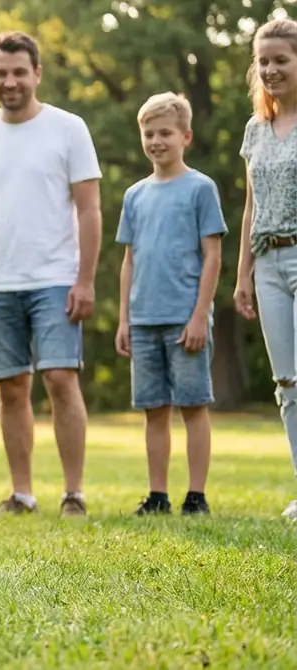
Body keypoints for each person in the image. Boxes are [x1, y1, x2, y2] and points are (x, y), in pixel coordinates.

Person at [0, 31, 103, 518]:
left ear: (37, 73)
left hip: (57, 278)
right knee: (10, 387)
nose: (9, 81)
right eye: (0, 72)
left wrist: (85, 279)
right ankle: (22, 494)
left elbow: (90, 210)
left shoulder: (69, 128)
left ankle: (73, 493)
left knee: (60, 378)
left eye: (19, 71)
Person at [114, 93, 226, 516]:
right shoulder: (135, 195)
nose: (157, 141)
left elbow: (212, 256)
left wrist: (200, 315)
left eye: (165, 133)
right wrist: (124, 318)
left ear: (186, 136)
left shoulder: (201, 188)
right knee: (153, 410)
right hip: (143, 321)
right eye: (149, 133)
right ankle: (157, 495)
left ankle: (196, 496)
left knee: (193, 406)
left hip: (185, 319)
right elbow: (129, 260)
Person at [232, 17, 297, 522]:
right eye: (264, 61)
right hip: (267, 263)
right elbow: (251, 206)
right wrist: (242, 276)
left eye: (282, 59)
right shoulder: (255, 129)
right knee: (287, 384)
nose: (271, 69)